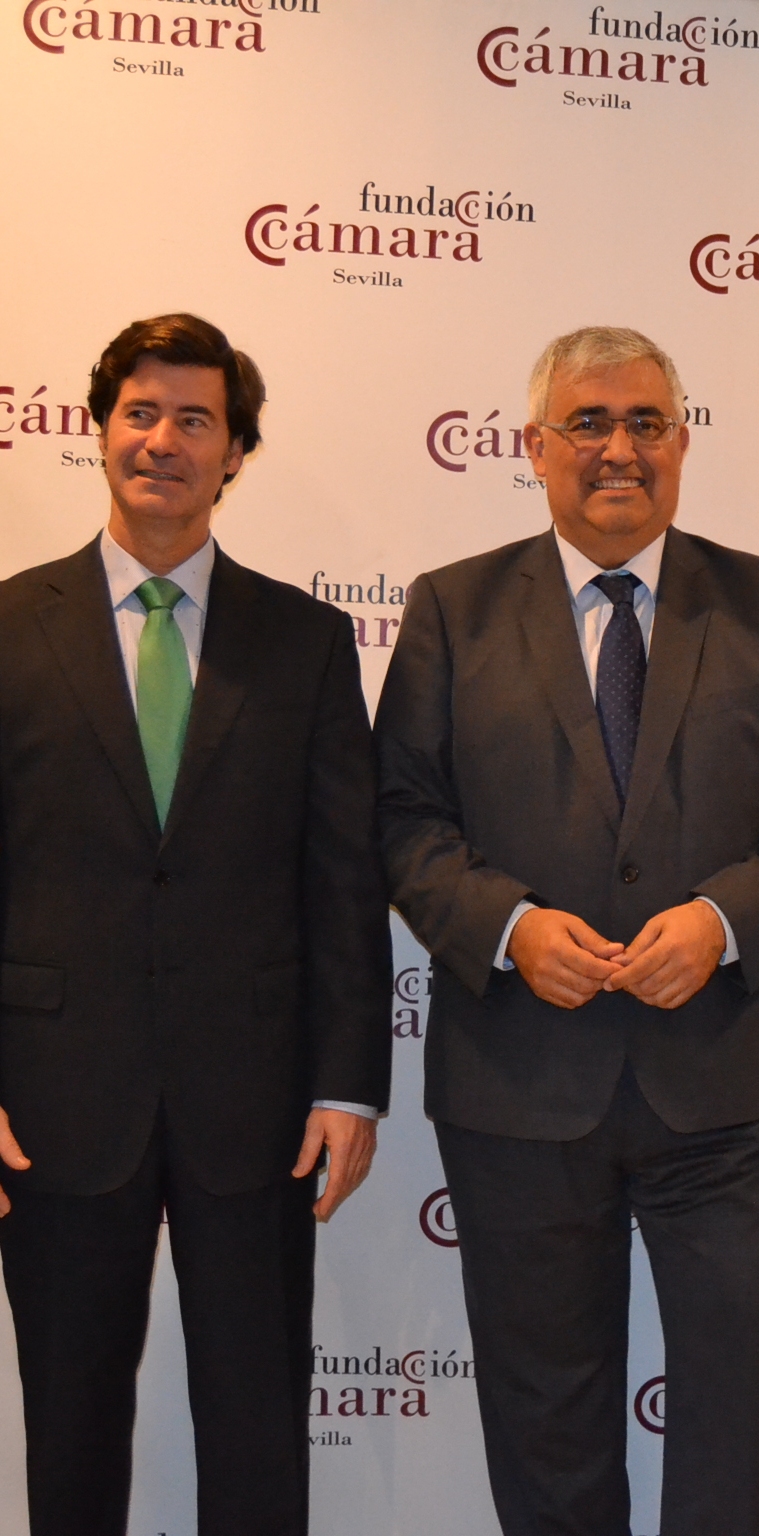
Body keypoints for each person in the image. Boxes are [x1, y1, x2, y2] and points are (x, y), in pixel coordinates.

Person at [375, 326, 759, 1536]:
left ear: (682, 442)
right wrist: (509, 929)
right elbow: (402, 819)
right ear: (535, 446)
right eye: (587, 423)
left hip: (726, 1091)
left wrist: (722, 921)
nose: (619, 448)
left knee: (733, 1418)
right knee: (546, 1419)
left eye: (647, 422)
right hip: (518, 1087)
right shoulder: (451, 608)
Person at [0, 313, 392, 1536]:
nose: (162, 441)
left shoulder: (306, 640)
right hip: (53, 1102)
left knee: (259, 1431)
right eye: (140, 413)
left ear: (236, 452)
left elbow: (343, 879)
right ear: (98, 430)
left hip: (258, 1102)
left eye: (194, 420)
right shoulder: (8, 627)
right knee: (68, 1434)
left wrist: (349, 1085)